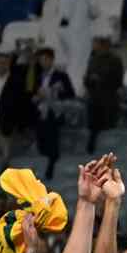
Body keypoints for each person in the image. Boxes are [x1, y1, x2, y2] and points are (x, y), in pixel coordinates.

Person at [30, 47, 75, 178]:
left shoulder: (61, 76)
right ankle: (40, 174)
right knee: (40, 145)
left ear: (51, 59)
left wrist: (55, 92)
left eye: (45, 59)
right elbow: (32, 94)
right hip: (39, 116)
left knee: (52, 147)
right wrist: (37, 96)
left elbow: (70, 94)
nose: (42, 62)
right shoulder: (38, 76)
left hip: (53, 115)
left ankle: (51, 174)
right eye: (40, 60)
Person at [0, 52, 32, 163]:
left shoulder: (15, 82)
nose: (1, 65)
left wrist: (16, 124)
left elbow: (20, 105)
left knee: (6, 159)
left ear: (8, 64)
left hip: (6, 125)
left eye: (4, 63)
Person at [84, 34, 124, 152]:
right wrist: (89, 79)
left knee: (108, 129)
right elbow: (87, 79)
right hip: (93, 100)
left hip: (109, 100)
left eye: (96, 44)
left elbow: (118, 80)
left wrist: (101, 79)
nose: (94, 46)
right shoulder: (93, 60)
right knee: (92, 128)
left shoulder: (115, 60)